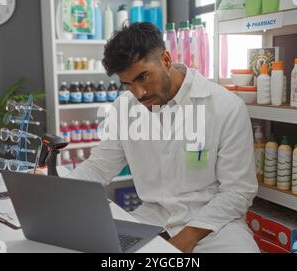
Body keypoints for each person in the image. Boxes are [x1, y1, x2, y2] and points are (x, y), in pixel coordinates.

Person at [68, 23, 259, 253]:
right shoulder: (124, 109)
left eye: (143, 77)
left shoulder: (225, 107)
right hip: (150, 219)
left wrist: (187, 237)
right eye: (128, 84)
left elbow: (238, 191)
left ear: (166, 60)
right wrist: (56, 191)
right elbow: (98, 168)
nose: (138, 93)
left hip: (214, 226)